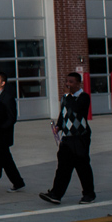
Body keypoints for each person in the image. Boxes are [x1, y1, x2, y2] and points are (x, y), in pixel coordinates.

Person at [40, 72, 96, 205]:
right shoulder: (65, 97)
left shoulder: (83, 97)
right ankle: (56, 194)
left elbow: (76, 109)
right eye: (67, 81)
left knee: (82, 166)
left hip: (80, 137)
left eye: (71, 82)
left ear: (78, 83)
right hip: (67, 138)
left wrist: (68, 96)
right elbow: (63, 113)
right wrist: (59, 126)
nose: (68, 84)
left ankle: (89, 194)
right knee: (63, 167)